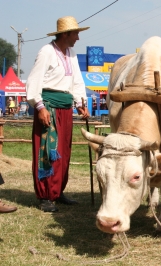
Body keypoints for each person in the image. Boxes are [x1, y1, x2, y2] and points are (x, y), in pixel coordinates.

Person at [26, 16, 90, 212]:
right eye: (76, 33)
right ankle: (46, 195)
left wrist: (80, 103)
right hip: (49, 107)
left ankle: (58, 191)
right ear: (66, 34)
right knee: (48, 151)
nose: (78, 37)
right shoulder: (47, 52)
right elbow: (34, 81)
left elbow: (77, 81)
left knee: (64, 151)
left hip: (66, 108)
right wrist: (40, 107)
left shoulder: (71, 54)